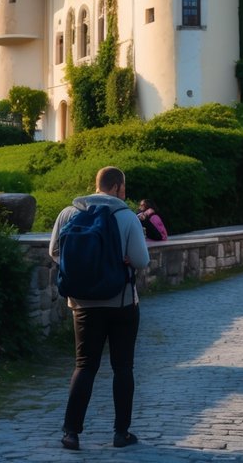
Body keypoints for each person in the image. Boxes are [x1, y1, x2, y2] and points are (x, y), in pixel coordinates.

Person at [50, 166, 149, 451]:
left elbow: (54, 252)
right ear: (118, 186)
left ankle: (71, 432)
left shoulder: (68, 213)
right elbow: (142, 261)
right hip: (121, 302)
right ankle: (121, 433)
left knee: (84, 366)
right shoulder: (126, 216)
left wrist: (85, 271)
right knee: (123, 367)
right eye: (124, 187)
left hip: (82, 304)